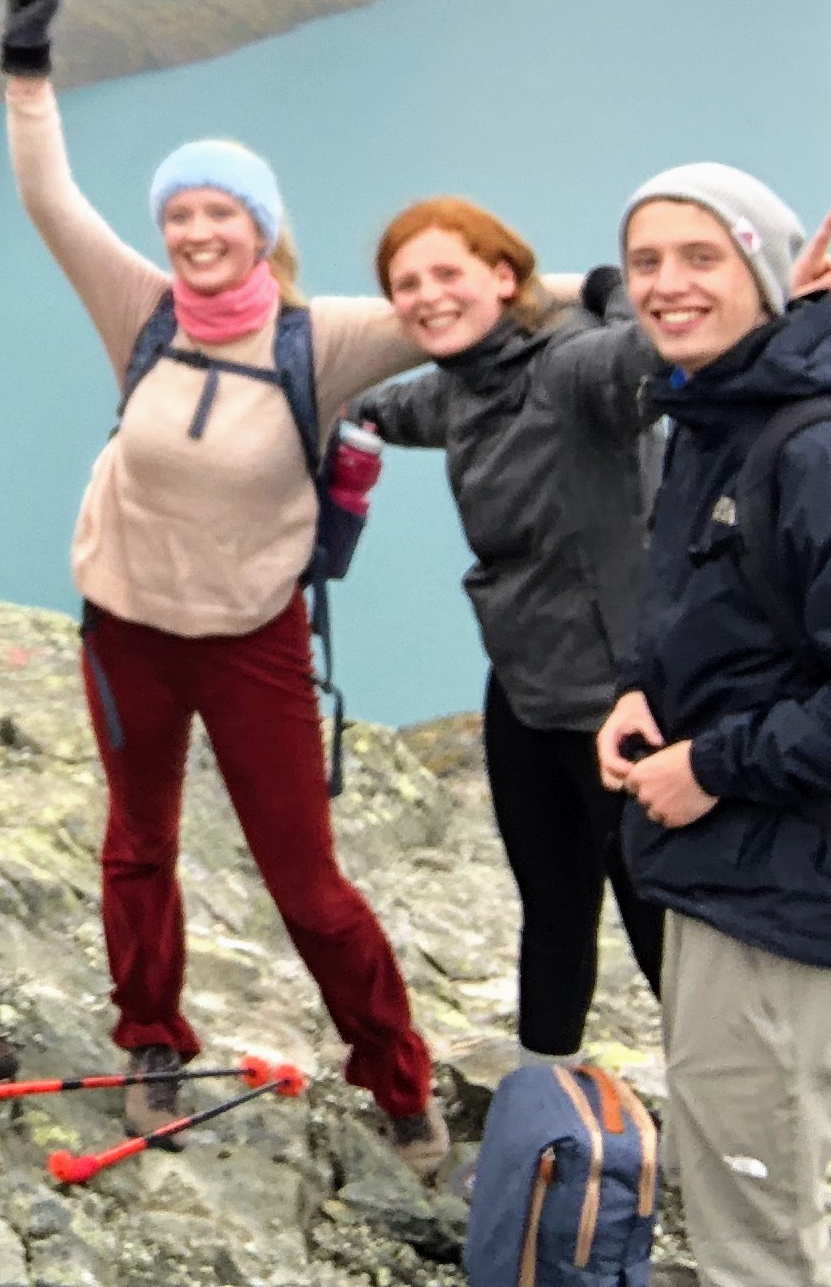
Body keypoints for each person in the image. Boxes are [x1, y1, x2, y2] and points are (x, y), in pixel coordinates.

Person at [0, 0, 447, 1174]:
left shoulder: (320, 337)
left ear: (261, 226)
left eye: (221, 214)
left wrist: (614, 297)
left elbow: (463, 301)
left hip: (254, 638)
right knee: (136, 843)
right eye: (181, 215)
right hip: (124, 626)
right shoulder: (138, 309)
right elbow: (47, 197)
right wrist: (27, 72)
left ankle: (398, 1079)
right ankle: (151, 1036)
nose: (197, 234)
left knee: (306, 882)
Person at [597, 167, 831, 1287]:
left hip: (782, 903)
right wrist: (637, 688)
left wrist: (710, 761)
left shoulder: (819, 454)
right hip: (733, 878)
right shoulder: (711, 417)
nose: (666, 284)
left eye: (703, 257)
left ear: (761, 274)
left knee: (758, 1239)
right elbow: (726, 614)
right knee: (731, 1196)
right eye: (647, 260)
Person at [350, 201, 672, 1069]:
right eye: (405, 285)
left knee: (662, 921)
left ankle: (721, 1129)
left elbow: (655, 348)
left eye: (448, 273)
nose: (426, 297)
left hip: (624, 699)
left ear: (504, 276)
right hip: (527, 687)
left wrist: (608, 285)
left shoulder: (575, 367)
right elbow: (381, 406)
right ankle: (543, 1099)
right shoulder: (465, 386)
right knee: (554, 909)